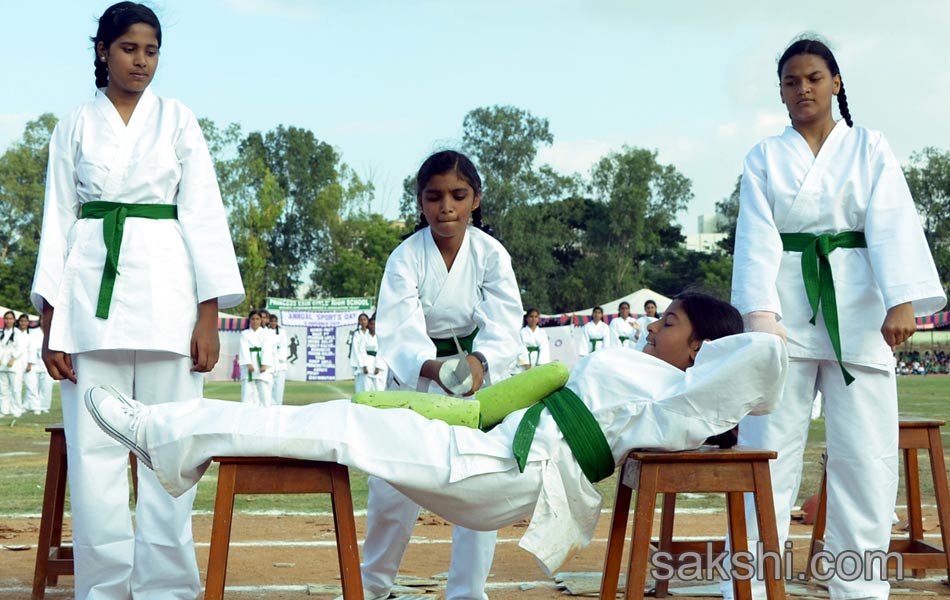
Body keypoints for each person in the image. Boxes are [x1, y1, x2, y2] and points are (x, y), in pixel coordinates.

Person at [84, 293, 788, 577]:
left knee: (337, 423)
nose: (652, 324)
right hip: (496, 455)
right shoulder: (650, 378)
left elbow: (762, 358)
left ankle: (168, 434)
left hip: (505, 470)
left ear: (699, 351)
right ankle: (177, 440)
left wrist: (737, 342)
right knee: (337, 421)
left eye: (669, 323)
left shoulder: (677, 399)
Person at [29, 3, 245, 597]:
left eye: (151, 50)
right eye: (129, 48)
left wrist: (209, 314)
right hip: (90, 304)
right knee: (95, 460)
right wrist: (53, 323)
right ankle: (102, 591)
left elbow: (204, 215)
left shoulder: (177, 120)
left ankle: (167, 591)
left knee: (171, 454)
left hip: (169, 299)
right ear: (102, 51)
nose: (141, 61)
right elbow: (58, 221)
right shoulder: (73, 125)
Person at [726, 36, 946, 600]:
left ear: (836, 83)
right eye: (791, 81)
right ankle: (749, 585)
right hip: (784, 309)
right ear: (780, 91)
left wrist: (901, 301)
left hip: (861, 310)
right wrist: (759, 315)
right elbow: (754, 239)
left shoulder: (869, 147)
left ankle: (860, 588)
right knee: (766, 451)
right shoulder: (765, 157)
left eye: (813, 78)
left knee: (865, 456)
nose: (803, 89)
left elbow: (893, 219)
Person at [365, 150, 524, 600]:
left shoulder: (491, 254)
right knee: (393, 490)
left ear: (476, 199)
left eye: (458, 195)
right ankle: (372, 587)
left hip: (479, 378)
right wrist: (435, 368)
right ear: (420, 202)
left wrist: (481, 363)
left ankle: (468, 592)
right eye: (434, 197)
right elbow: (398, 328)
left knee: (479, 485)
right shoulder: (405, 258)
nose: (446, 207)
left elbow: (505, 321)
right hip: (416, 378)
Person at [239, 310, 273, 406]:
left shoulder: (266, 333)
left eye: (257, 319)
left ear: (261, 320)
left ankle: (265, 411)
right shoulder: (245, 334)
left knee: (264, 392)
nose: (255, 321)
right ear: (249, 320)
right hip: (249, 365)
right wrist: (248, 363)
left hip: (261, 363)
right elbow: (244, 349)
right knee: (247, 392)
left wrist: (264, 364)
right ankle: (246, 412)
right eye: (253, 319)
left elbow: (267, 349)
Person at [24, 315, 54, 414]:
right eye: (42, 319)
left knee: (46, 386)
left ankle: (44, 406)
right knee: (33, 385)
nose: (44, 320)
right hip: (34, 362)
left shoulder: (52, 332)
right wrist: (30, 361)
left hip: (48, 362)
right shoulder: (33, 332)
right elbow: (30, 348)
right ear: (40, 320)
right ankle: (34, 406)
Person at [0, 311, 26, 418]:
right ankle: (4, 410)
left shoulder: (18, 333)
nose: (8, 321)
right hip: (2, 364)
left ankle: (16, 410)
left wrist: (13, 358)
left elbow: (20, 348)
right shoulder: (2, 332)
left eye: (10, 319)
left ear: (14, 320)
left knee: (15, 388)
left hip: (14, 364)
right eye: (6, 318)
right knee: (3, 389)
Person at [353, 314, 387, 392]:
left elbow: (381, 352)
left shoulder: (381, 338)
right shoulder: (364, 338)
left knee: (379, 389)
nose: (373, 326)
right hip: (367, 366)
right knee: (365, 389)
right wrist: (364, 366)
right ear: (369, 325)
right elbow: (361, 351)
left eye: (375, 324)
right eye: (371, 324)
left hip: (378, 367)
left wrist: (378, 366)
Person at [269, 313, 289, 405]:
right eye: (271, 321)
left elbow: (283, 346)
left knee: (279, 386)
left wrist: (278, 357)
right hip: (269, 361)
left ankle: (278, 404)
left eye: (275, 321)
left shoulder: (282, 332)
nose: (273, 323)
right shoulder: (266, 331)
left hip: (279, 362)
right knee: (269, 385)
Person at [349, 313, 370, 393]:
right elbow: (357, 351)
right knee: (360, 387)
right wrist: (362, 365)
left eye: (364, 319)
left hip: (370, 363)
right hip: (358, 364)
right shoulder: (357, 334)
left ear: (367, 321)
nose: (363, 322)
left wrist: (367, 364)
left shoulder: (370, 333)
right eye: (361, 320)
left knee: (369, 387)